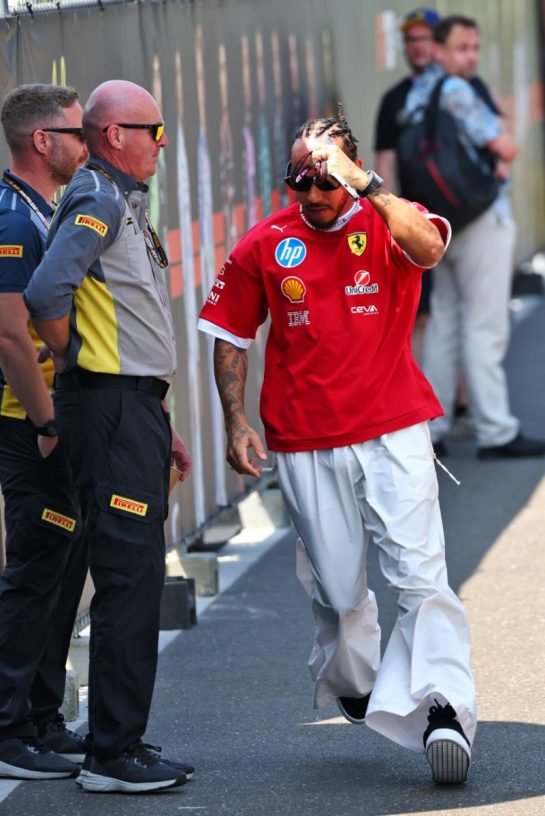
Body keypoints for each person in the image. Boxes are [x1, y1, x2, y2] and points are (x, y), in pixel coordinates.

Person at [198, 111, 477, 785]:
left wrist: (368, 186)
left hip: (393, 428)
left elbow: (430, 249)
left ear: (349, 175)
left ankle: (444, 710)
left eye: (326, 181)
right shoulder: (263, 245)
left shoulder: (388, 217)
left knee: (420, 575)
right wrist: (236, 420)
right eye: (301, 183)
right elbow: (230, 337)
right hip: (302, 440)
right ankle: (351, 675)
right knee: (336, 587)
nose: (314, 196)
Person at [24, 79, 194, 794]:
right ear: (113, 133)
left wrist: (158, 417)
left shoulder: (117, 198)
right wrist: (78, 363)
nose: (161, 142)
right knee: (130, 578)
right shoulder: (96, 195)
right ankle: (113, 754)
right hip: (110, 405)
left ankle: (110, 741)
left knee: (126, 570)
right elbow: (43, 294)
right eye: (152, 129)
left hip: (131, 408)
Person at [404, 15, 545, 458]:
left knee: (445, 323)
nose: (472, 56)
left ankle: (436, 427)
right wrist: (501, 142)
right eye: (463, 48)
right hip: (482, 216)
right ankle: (496, 430)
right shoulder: (460, 90)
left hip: (442, 223)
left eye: (475, 48)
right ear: (441, 50)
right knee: (485, 325)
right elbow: (506, 146)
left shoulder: (419, 91)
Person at [0, 83, 89, 780]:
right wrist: (48, 420)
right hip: (26, 424)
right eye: (77, 132)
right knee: (34, 571)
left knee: (60, 570)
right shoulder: (12, 217)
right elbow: (8, 338)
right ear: (42, 141)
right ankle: (9, 731)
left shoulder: (44, 209)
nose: (87, 145)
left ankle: (42, 718)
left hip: (50, 421)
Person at [374, 7, 440, 364]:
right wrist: (392, 219)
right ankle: (430, 400)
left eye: (425, 39)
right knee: (421, 311)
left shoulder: (461, 87)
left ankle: (459, 399)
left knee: (463, 314)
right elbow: (385, 163)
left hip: (466, 219)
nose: (417, 47)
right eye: (411, 40)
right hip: (418, 220)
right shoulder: (394, 100)